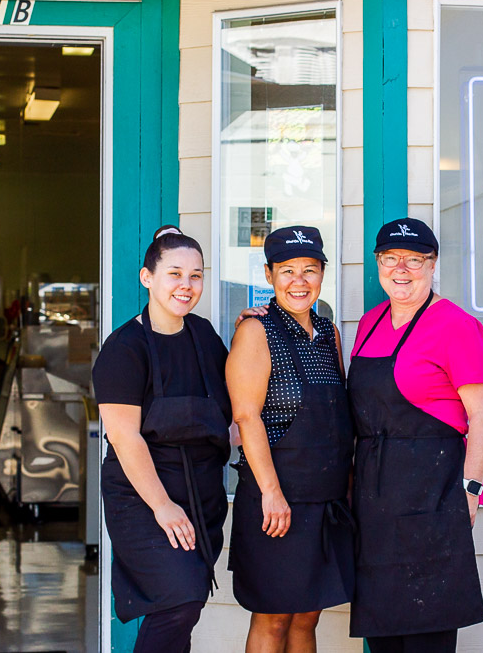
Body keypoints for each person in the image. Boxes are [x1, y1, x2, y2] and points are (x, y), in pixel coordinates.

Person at [348, 217, 483, 653]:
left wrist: (469, 491)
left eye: (415, 260)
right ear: (378, 263)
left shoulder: (456, 326)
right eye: (391, 258)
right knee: (384, 636)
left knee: (426, 636)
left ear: (432, 265)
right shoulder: (370, 322)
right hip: (375, 504)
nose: (401, 269)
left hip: (433, 498)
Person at [92, 226, 231, 652]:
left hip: (200, 491)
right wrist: (162, 505)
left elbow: (228, 414)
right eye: (174, 274)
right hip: (143, 494)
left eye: (196, 275)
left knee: (183, 605)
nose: (186, 286)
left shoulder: (204, 336)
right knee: (179, 601)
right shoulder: (124, 349)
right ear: (147, 277)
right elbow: (124, 437)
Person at [227, 225, 355, 653]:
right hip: (275, 503)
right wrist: (271, 493)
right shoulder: (255, 332)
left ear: (322, 274)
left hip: (325, 501)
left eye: (309, 270)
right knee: (274, 617)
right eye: (287, 271)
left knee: (306, 618)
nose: (299, 281)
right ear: (269, 275)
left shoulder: (330, 334)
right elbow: (246, 417)